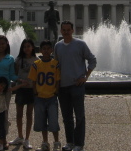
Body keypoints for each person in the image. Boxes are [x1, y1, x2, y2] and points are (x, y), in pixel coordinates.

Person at [54, 21, 97, 151]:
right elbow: (55, 66)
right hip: (62, 87)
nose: (66, 32)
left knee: (79, 116)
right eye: (64, 30)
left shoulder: (80, 44)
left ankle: (79, 144)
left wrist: (85, 76)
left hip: (76, 86)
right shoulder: (57, 46)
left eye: (68, 30)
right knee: (67, 117)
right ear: (61, 31)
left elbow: (92, 60)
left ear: (72, 31)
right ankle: (70, 142)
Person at [28, 40, 61, 151]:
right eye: (44, 49)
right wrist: (35, 92)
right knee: (42, 121)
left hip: (51, 97)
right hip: (40, 97)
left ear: (51, 50)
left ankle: (56, 142)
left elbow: (57, 80)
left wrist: (56, 91)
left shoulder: (55, 64)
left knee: (53, 121)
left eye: (48, 48)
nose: (46, 51)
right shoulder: (36, 65)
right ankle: (45, 142)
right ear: (40, 51)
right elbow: (33, 80)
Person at [9, 39, 39, 149]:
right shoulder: (18, 60)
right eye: (24, 46)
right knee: (19, 114)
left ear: (32, 47)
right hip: (21, 89)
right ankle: (20, 136)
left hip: (31, 89)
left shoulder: (36, 60)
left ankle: (27, 138)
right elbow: (15, 73)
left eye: (29, 46)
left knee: (29, 114)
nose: (27, 48)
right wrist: (19, 81)